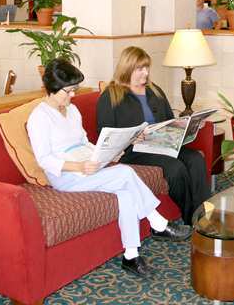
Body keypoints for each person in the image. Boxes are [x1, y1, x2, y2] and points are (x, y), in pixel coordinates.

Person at [26, 59, 190, 279]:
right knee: (124, 172)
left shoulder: (72, 110)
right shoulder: (39, 117)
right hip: (65, 174)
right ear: (52, 88)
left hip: (86, 164)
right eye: (69, 91)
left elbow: (83, 141)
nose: (73, 96)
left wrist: (106, 152)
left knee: (125, 193)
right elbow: (45, 160)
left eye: (75, 90)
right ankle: (158, 222)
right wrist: (79, 166)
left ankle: (131, 256)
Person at [96, 46, 211, 224]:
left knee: (196, 159)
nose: (145, 73)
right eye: (140, 69)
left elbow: (169, 120)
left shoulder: (154, 90)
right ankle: (192, 218)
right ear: (127, 69)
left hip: (160, 144)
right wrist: (131, 138)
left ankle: (205, 215)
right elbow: (105, 134)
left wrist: (188, 125)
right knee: (175, 168)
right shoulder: (111, 96)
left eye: (147, 67)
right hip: (132, 151)